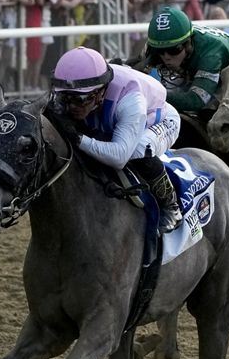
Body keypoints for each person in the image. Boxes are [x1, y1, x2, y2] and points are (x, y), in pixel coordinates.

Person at [50, 47, 184, 233]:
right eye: (66, 97)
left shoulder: (131, 101)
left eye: (79, 99)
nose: (72, 106)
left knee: (137, 150)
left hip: (158, 120)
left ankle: (171, 205)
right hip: (111, 118)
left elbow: (119, 157)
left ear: (99, 92)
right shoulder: (73, 90)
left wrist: (78, 138)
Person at [143, 5, 229, 124]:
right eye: (159, 51)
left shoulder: (210, 56)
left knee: (208, 115)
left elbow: (196, 101)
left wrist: (155, 95)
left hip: (227, 81)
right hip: (193, 65)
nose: (166, 57)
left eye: (174, 50)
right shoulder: (162, 41)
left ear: (188, 44)